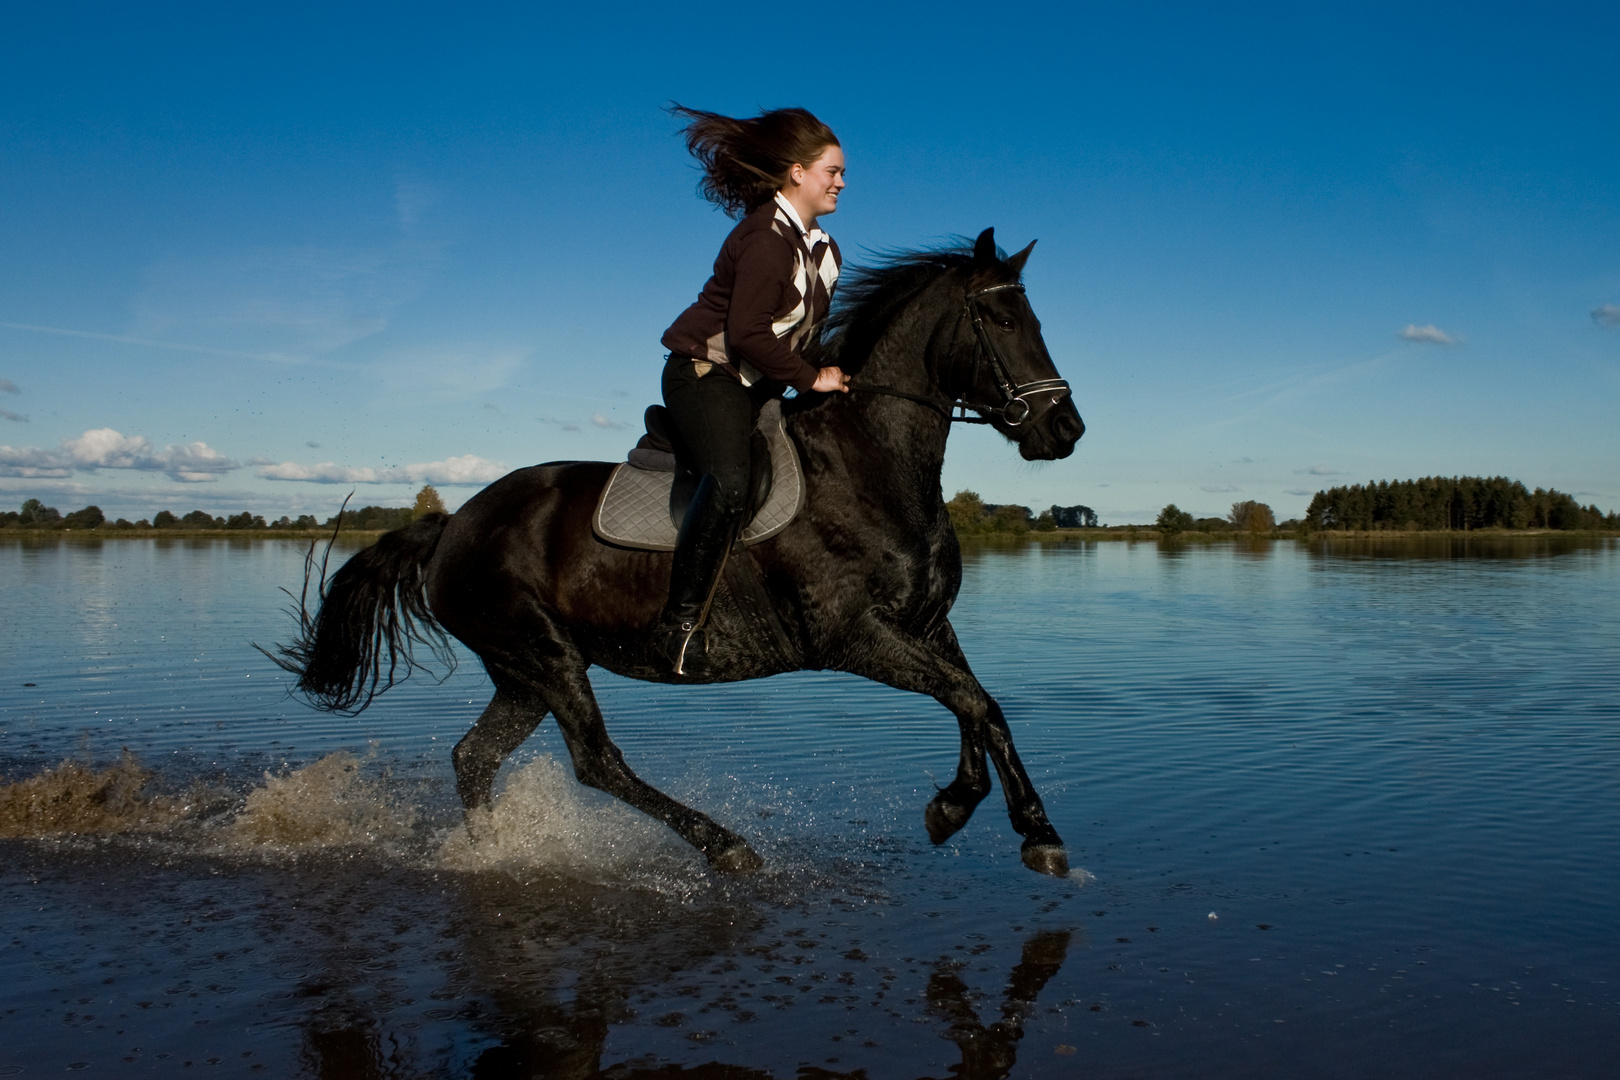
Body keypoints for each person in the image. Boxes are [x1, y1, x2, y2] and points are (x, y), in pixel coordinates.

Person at [654, 105, 850, 675]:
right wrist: (811, 379)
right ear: (796, 173)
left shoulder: (826, 252)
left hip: (756, 381)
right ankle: (681, 626)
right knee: (732, 480)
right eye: (830, 172)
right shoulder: (766, 237)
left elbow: (804, 340)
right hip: (704, 372)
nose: (840, 182)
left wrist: (837, 376)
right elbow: (745, 334)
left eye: (841, 174)